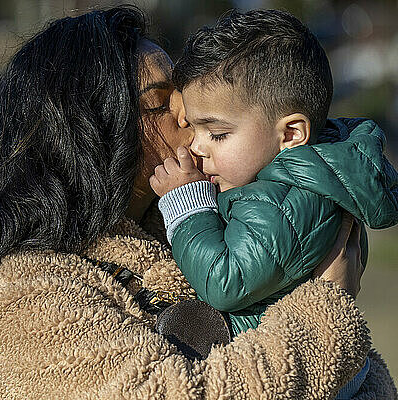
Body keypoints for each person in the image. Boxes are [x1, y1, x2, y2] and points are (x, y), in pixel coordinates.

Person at [0, 7, 397, 400]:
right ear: (86, 135)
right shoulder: (21, 302)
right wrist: (326, 309)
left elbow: (367, 383)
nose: (193, 124)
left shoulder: (196, 226)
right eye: (159, 104)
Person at [150, 9, 398, 335]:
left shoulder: (287, 201)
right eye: (194, 128)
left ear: (291, 134)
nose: (196, 146)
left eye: (218, 134)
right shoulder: (289, 181)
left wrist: (186, 205)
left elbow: (225, 281)